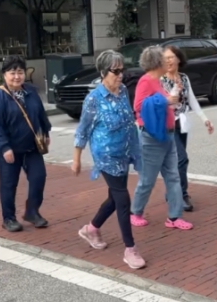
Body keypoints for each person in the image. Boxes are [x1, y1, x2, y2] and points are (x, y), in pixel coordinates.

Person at [73, 50, 145, 269]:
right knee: (123, 199)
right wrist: (76, 158)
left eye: (122, 70)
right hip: (105, 156)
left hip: (123, 152)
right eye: (115, 71)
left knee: (114, 197)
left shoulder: (122, 91)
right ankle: (130, 249)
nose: (120, 75)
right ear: (103, 72)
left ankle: (91, 229)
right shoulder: (93, 99)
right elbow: (82, 130)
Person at [130, 45, 193, 231]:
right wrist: (165, 100)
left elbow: (161, 102)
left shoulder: (157, 81)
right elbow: (138, 106)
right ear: (158, 62)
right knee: (147, 180)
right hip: (151, 137)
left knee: (173, 176)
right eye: (165, 59)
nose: (169, 62)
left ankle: (175, 216)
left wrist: (171, 96)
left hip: (167, 134)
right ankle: (135, 212)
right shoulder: (146, 81)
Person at [0, 55, 51, 232]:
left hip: (31, 146)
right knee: (9, 183)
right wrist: (4, 147)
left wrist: (45, 132)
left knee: (39, 177)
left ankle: (32, 211)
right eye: (12, 73)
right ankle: (8, 218)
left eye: (20, 72)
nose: (17, 76)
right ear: (4, 75)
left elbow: (40, 114)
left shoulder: (31, 91)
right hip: (8, 148)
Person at [161, 46, 214, 212]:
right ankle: (181, 194)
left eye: (171, 57)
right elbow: (163, 102)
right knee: (181, 159)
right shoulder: (160, 80)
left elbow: (192, 100)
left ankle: (171, 192)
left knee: (176, 160)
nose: (168, 61)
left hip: (182, 123)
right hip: (168, 125)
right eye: (165, 58)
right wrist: (173, 92)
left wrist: (205, 119)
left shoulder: (184, 78)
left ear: (178, 59)